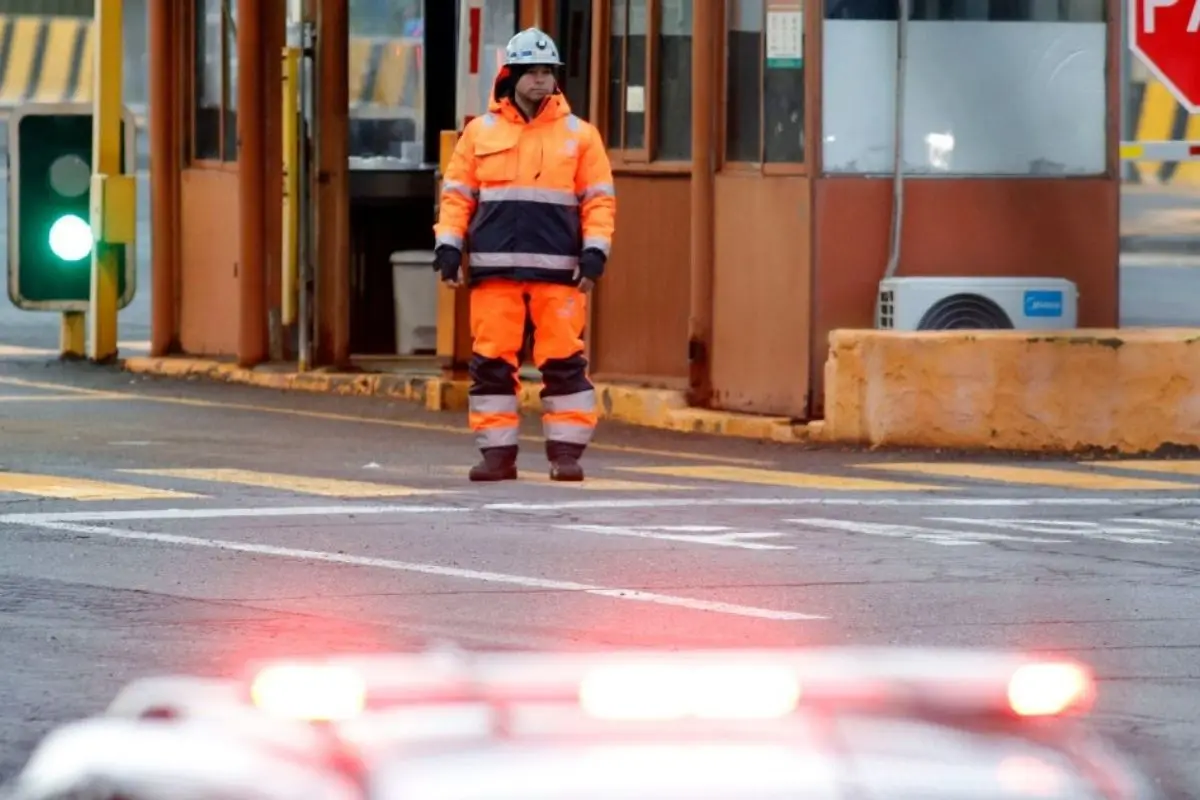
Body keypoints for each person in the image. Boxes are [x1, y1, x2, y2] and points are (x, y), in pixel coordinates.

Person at [432, 27, 616, 483]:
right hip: (495, 273)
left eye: (546, 72)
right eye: (531, 72)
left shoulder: (581, 136)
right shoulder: (479, 133)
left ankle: (567, 455)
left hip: (560, 274)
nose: (539, 80)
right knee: (492, 364)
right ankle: (497, 456)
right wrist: (448, 249)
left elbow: (598, 201)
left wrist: (595, 255)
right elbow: (456, 197)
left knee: (564, 365)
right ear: (510, 74)